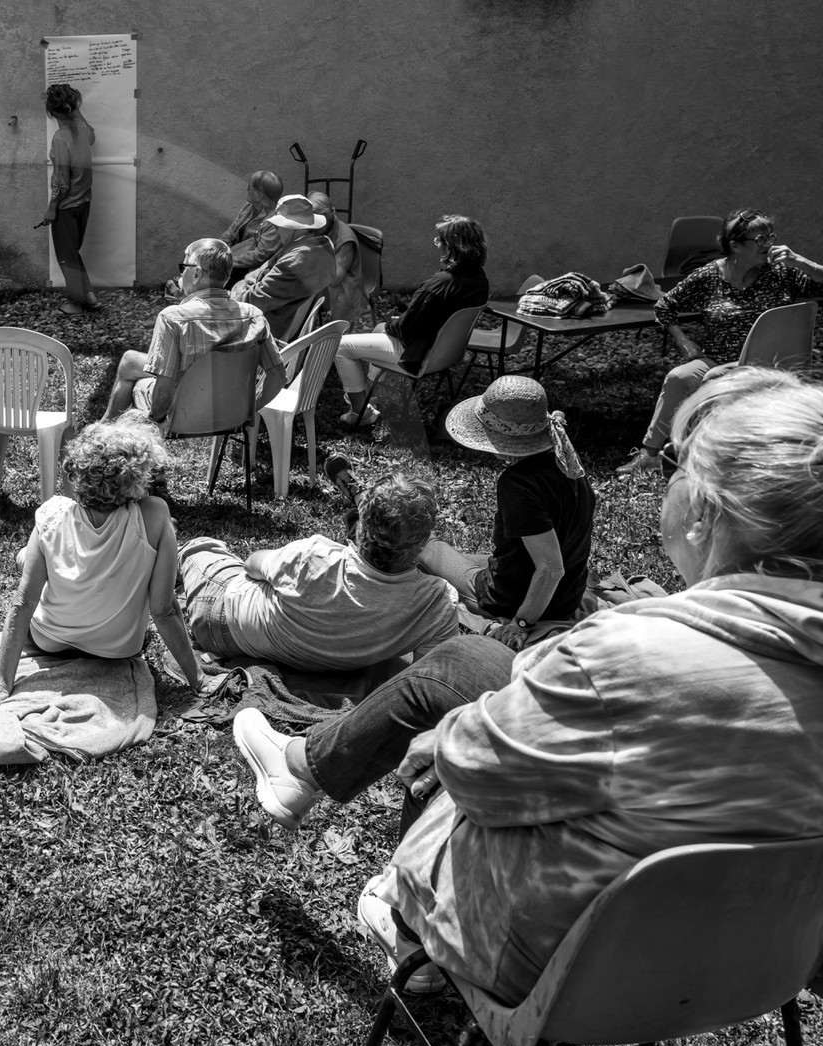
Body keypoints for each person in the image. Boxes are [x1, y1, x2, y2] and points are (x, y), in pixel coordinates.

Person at [234, 366, 823, 1003]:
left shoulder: (627, 654)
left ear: (706, 512)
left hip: (559, 969)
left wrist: (458, 734)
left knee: (445, 716)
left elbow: (478, 776)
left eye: (675, 463)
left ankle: (412, 926)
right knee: (463, 658)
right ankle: (301, 769)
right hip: (749, 969)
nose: (667, 476)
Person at [0, 414, 203, 710]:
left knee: (31, 560)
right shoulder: (154, 515)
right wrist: (197, 679)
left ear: (78, 472)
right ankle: (29, 560)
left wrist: (1, 682)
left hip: (49, 638)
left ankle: (26, 560)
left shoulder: (52, 515)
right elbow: (163, 611)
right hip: (117, 649)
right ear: (137, 476)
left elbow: (23, 603)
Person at [178, 474, 457, 672]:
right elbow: (422, 678)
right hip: (313, 661)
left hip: (222, 626)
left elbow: (252, 564)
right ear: (422, 542)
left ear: (361, 525)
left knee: (201, 548)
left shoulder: (316, 556)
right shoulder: (438, 605)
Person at [616, 208, 823, 475]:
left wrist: (802, 262)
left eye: (770, 237)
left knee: (714, 378)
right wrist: (684, 342)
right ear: (735, 246)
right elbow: (664, 306)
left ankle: (706, 457)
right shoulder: (710, 275)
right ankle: (650, 454)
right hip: (720, 358)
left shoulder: (782, 272)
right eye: (759, 240)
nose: (768, 244)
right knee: (678, 377)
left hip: (771, 362)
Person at [420, 376, 594, 646]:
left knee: (424, 548)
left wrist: (521, 623)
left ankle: (360, 507)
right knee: (461, 557)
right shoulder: (567, 460)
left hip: (517, 598)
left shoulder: (518, 484)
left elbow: (551, 569)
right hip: (568, 594)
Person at [332, 214, 489, 428]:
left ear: (452, 247)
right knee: (379, 330)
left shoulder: (439, 285)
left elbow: (405, 329)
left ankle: (361, 411)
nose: (437, 245)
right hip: (447, 352)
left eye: (439, 240)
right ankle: (372, 397)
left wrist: (392, 323)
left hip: (419, 355)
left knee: (340, 346)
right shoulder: (480, 279)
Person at [104, 238, 286, 422]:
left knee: (140, 381)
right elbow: (278, 376)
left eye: (183, 268)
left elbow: (164, 390)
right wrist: (248, 410)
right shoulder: (253, 316)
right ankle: (105, 426)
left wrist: (156, 420)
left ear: (197, 274)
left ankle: (105, 429)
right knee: (130, 359)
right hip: (228, 409)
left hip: (182, 416)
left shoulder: (172, 319)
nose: (181, 275)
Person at [231, 194, 339, 339]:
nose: (276, 230)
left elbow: (250, 302)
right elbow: (263, 268)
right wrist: (251, 278)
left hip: (263, 332)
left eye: (279, 226)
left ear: (295, 228)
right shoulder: (318, 244)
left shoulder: (296, 261)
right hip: (275, 322)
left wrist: (236, 288)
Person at [40, 83, 99, 315]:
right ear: (72, 108)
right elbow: (92, 136)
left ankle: (75, 303)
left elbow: (61, 181)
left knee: (67, 257)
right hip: (84, 203)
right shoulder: (82, 130)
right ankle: (90, 297)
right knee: (73, 252)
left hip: (66, 207)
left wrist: (51, 208)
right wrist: (76, 110)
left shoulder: (60, 139)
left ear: (51, 112)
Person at [306, 190, 369, 325]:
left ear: (329, 215)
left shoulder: (345, 239)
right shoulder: (320, 230)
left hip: (346, 293)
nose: (314, 227)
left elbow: (335, 279)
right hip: (324, 286)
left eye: (318, 222)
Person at [222, 170, 284, 283]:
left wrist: (226, 261)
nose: (247, 190)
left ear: (259, 195)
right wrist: (215, 248)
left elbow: (259, 256)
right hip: (231, 259)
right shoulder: (249, 207)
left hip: (247, 273)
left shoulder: (274, 221)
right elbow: (231, 231)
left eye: (250, 187)